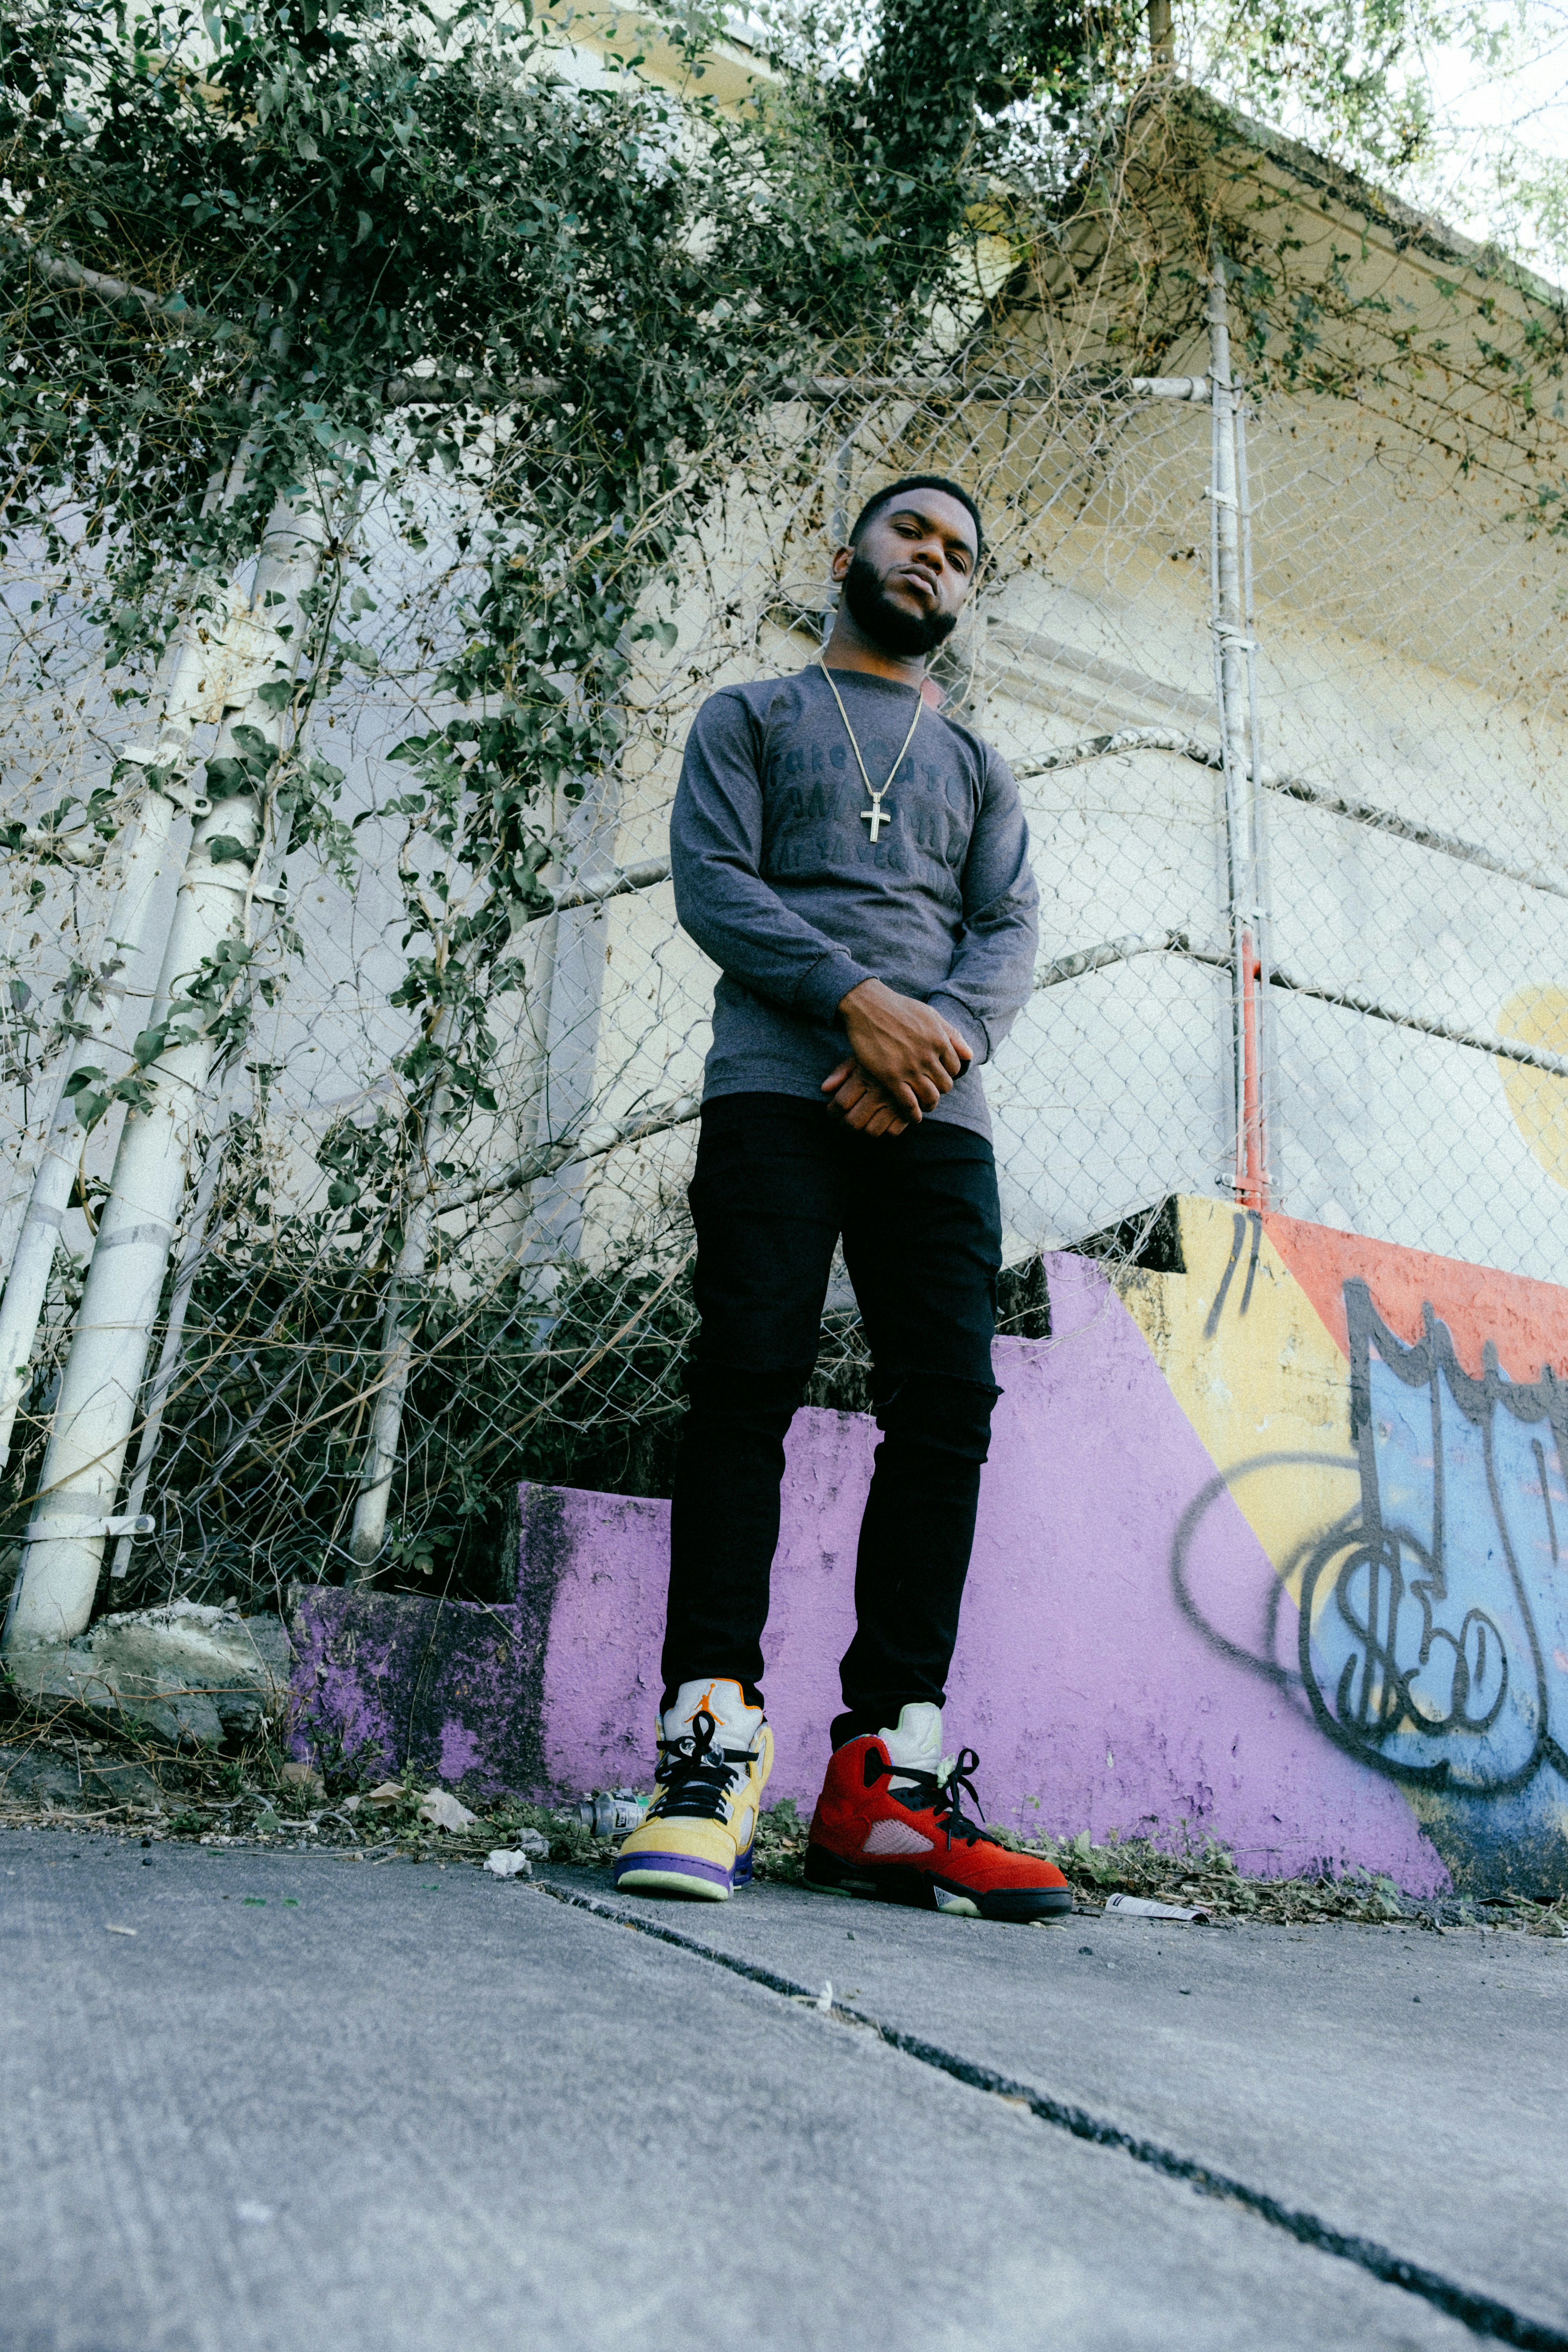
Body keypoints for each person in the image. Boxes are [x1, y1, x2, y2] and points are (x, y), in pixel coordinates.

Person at [612, 475, 1070, 1923]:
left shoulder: (982, 765)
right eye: (913, 536)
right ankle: (708, 1747)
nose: (933, 560)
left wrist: (926, 1055)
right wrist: (858, 1005)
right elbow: (712, 885)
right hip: (773, 1089)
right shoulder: (749, 717)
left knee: (945, 1404)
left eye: (959, 553)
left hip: (936, 1113)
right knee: (747, 1376)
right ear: (847, 557)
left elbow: (1006, 934)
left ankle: (887, 1774)